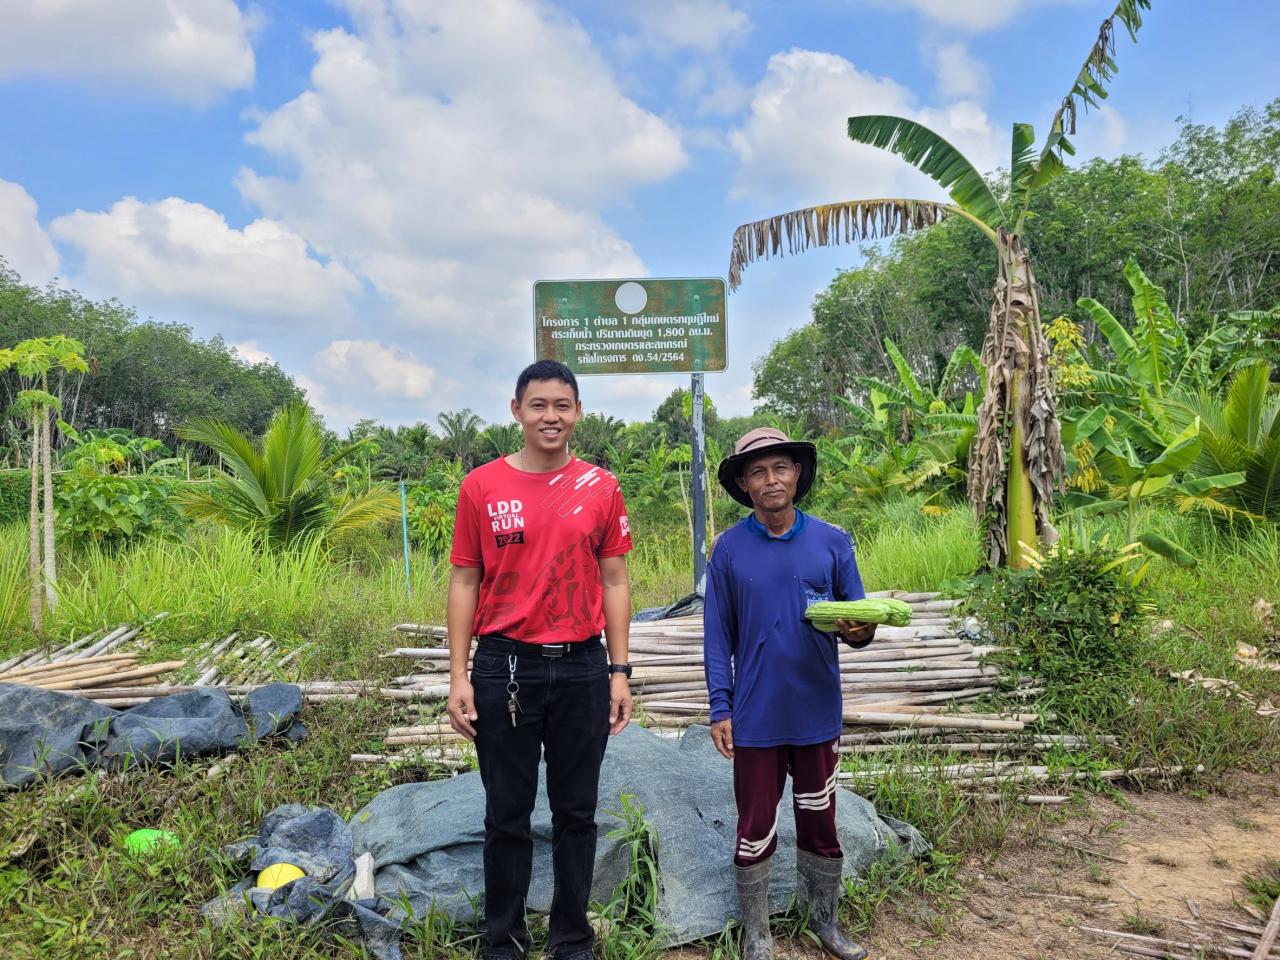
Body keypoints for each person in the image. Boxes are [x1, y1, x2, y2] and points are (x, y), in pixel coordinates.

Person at [446, 359, 635, 960]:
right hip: (504, 666)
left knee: (576, 814)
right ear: (517, 411)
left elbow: (615, 579)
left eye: (562, 405)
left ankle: (571, 939)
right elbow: (464, 579)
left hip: (582, 665)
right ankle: (502, 941)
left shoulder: (600, 488)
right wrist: (458, 674)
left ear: (577, 412)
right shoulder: (481, 487)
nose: (550, 416)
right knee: (507, 813)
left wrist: (619, 670)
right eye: (538, 405)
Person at [703, 427, 876, 960]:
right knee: (755, 825)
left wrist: (857, 629)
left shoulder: (832, 540)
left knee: (820, 820)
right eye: (757, 472)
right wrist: (720, 706)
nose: (770, 479)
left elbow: (861, 622)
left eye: (780, 468)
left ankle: (825, 920)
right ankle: (757, 933)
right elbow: (717, 634)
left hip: (817, 711)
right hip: (756, 716)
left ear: (797, 474)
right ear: (744, 484)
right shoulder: (729, 550)